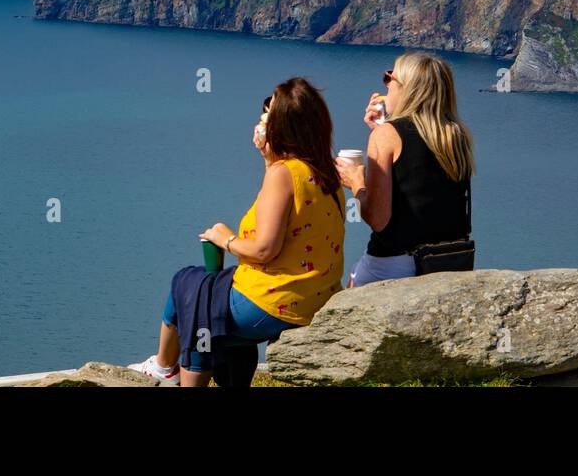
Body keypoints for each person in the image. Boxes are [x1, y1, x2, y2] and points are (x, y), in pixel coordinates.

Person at [130, 78, 345, 386]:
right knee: (204, 291)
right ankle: (178, 369)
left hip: (279, 302)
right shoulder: (326, 172)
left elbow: (263, 250)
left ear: (282, 128)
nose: (259, 123)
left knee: (190, 289)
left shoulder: (283, 174)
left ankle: (168, 369)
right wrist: (271, 159)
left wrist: (225, 239)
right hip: (317, 296)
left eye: (266, 118)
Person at [337, 51, 475, 287]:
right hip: (448, 262)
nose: (386, 84)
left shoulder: (387, 136)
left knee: (350, 284)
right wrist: (382, 130)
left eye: (389, 78)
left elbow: (377, 220)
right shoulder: (456, 135)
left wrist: (356, 183)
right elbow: (418, 171)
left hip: (393, 265)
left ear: (407, 89)